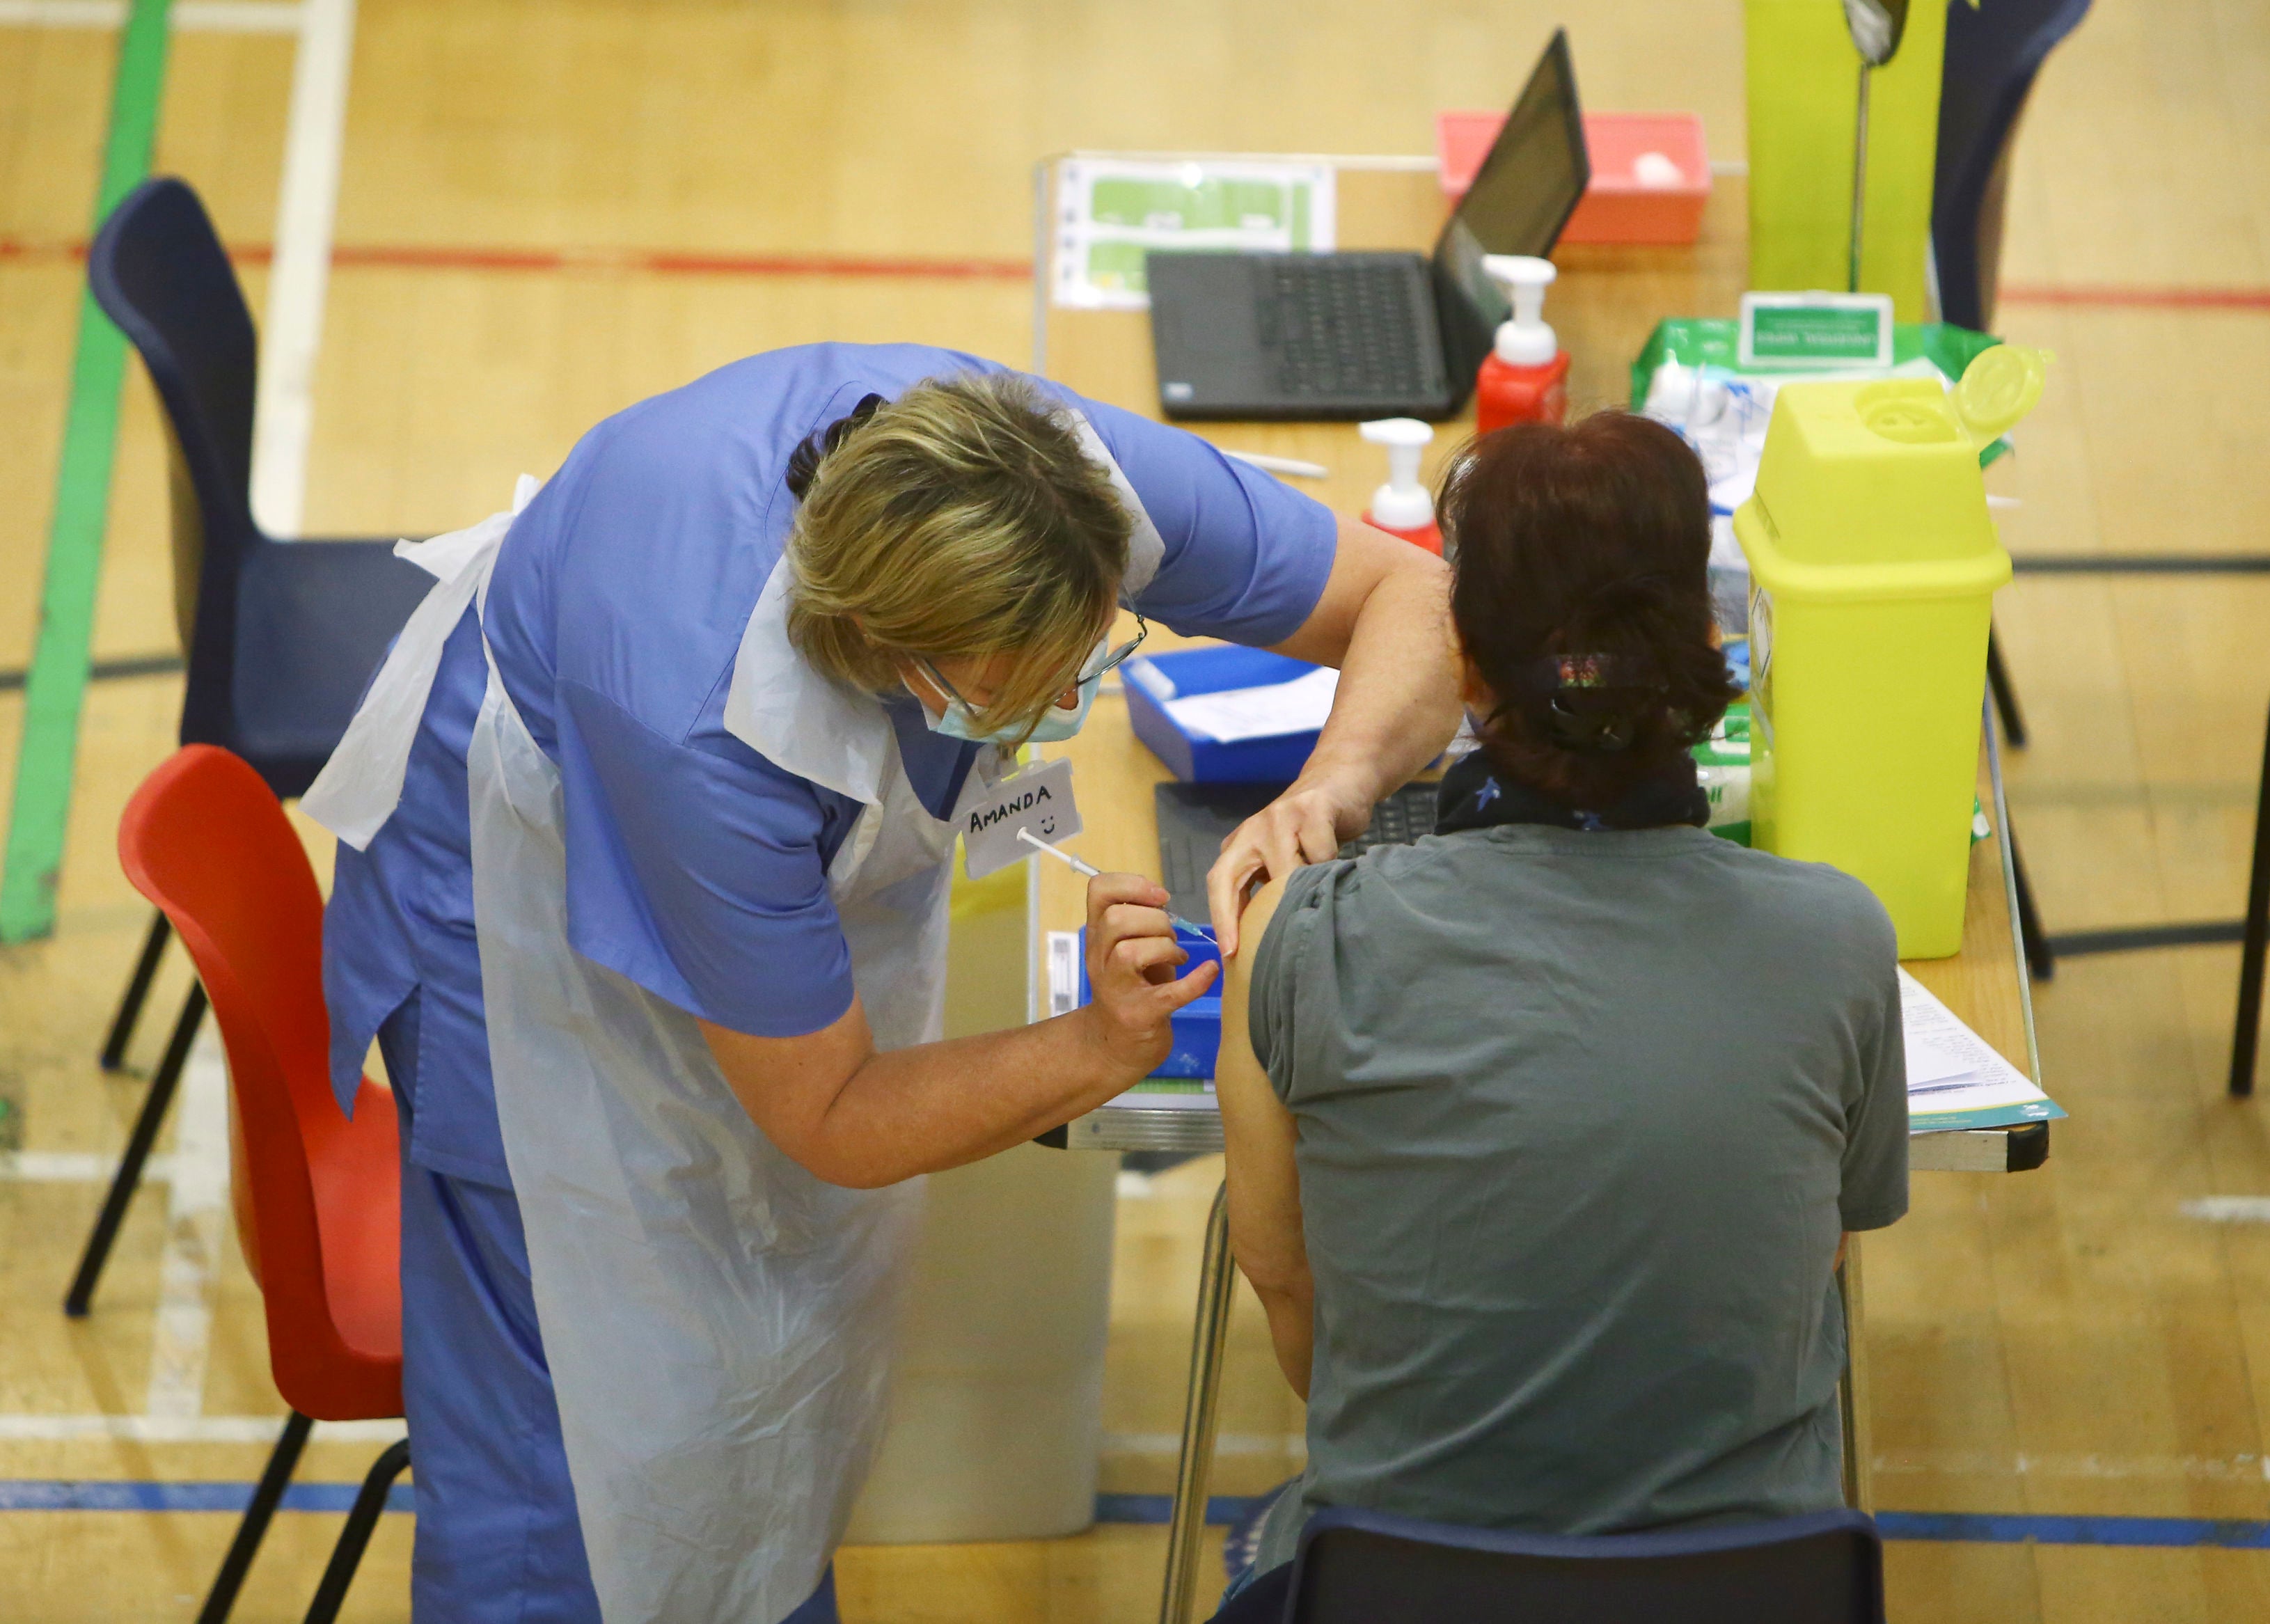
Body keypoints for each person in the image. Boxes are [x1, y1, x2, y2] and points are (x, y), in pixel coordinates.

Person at [300, 346, 1458, 1622]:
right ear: (898, 659)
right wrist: (1089, 1046)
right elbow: (833, 1115)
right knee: (577, 1423)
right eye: (1035, 680)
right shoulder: (702, 731)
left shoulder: (1058, 477)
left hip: (695, 758)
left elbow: (1410, 593)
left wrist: (1327, 793)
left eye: (1093, 646)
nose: (1077, 698)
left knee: (752, 1352)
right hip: (509, 922)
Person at [1208, 411, 1910, 1621]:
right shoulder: (1840, 940)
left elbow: (1283, 1279)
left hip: (1398, 1589)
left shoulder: (1302, 934)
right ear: (1708, 643)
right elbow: (1809, 1263)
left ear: (1466, 670)